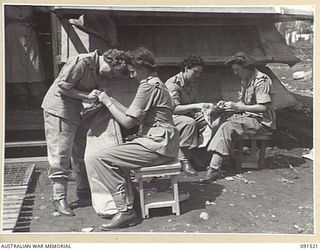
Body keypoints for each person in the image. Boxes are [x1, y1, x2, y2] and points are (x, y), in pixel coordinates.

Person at [86, 47, 179, 230]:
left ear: (143, 67)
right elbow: (131, 114)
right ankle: (130, 198)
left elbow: (128, 123)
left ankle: (126, 211)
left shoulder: (147, 85)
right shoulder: (158, 84)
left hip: (157, 145)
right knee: (114, 153)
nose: (131, 76)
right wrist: (110, 99)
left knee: (99, 158)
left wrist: (106, 101)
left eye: (132, 71)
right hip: (164, 143)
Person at [41, 48, 127, 216]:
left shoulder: (100, 70)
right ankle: (59, 197)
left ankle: (82, 188)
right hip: (59, 110)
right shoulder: (81, 62)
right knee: (60, 153)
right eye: (112, 73)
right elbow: (62, 88)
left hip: (77, 112)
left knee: (80, 151)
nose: (110, 77)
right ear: (109, 62)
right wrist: (86, 96)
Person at [202, 52, 276, 183]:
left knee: (227, 127)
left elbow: (263, 107)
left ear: (246, 67)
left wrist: (238, 108)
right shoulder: (245, 79)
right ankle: (215, 158)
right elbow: (244, 103)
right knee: (220, 118)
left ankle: (214, 169)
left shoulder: (261, 80)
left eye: (237, 69)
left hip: (261, 121)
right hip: (248, 116)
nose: (235, 73)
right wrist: (228, 105)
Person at [165, 55, 213, 176]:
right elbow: (174, 108)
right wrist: (197, 106)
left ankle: (195, 154)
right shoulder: (173, 84)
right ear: (186, 68)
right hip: (169, 117)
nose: (198, 76)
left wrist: (207, 110)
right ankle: (183, 160)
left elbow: (194, 103)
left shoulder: (191, 83)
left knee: (211, 120)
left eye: (200, 73)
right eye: (195, 72)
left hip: (186, 114)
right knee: (189, 123)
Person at [5, 5, 48, 109]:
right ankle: (22, 98)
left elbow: (45, 8)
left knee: (33, 64)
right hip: (12, 34)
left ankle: (38, 96)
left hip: (29, 32)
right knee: (15, 65)